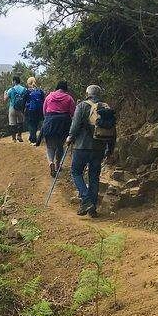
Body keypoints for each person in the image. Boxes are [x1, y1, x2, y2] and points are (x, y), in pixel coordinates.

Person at [66, 84, 116, 217]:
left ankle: (86, 199)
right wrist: (110, 149)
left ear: (87, 93)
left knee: (76, 172)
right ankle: (92, 208)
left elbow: (75, 125)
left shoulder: (82, 106)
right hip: (99, 146)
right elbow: (112, 130)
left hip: (82, 146)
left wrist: (70, 137)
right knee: (94, 176)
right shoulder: (106, 107)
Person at [40, 81, 75, 177]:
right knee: (60, 146)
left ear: (57, 87)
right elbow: (73, 113)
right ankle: (58, 165)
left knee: (50, 147)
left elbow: (44, 112)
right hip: (63, 125)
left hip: (50, 123)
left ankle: (51, 162)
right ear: (65, 89)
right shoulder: (69, 98)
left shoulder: (49, 97)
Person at [3, 76, 27, 142]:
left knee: (12, 124)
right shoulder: (24, 89)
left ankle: (13, 138)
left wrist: (5, 93)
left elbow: (5, 99)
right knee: (20, 123)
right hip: (21, 109)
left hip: (12, 108)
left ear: (14, 81)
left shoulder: (11, 89)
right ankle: (19, 135)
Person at [24, 76, 45, 145]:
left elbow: (24, 101)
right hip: (40, 110)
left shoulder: (27, 91)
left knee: (31, 124)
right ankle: (39, 138)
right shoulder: (40, 90)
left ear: (28, 83)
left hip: (31, 110)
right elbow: (43, 99)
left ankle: (33, 139)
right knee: (37, 123)